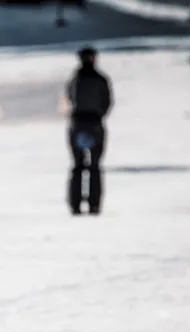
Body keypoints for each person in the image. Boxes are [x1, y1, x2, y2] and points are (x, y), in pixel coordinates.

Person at [66, 46, 112, 216]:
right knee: (94, 166)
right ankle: (94, 203)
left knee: (78, 165)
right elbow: (107, 101)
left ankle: (75, 204)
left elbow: (69, 96)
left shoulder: (76, 79)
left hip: (78, 123)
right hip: (95, 123)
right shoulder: (101, 79)